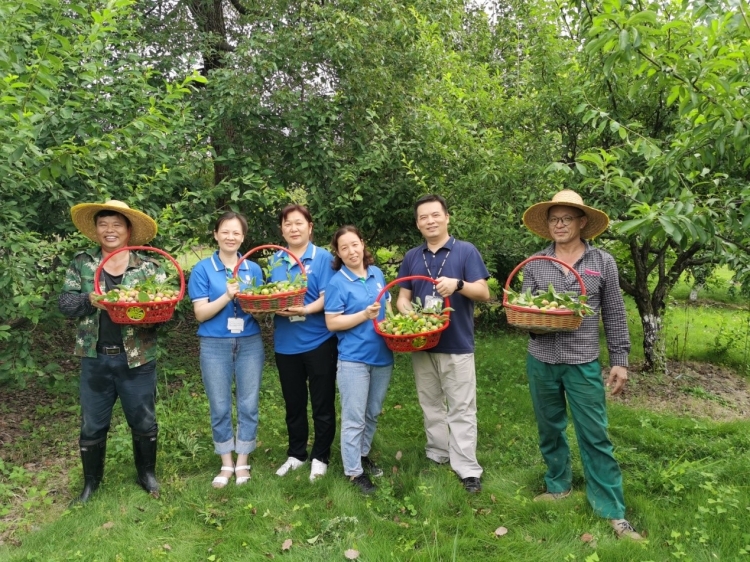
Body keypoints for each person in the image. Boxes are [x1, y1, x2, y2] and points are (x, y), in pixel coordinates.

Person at [520, 189, 642, 540]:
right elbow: (526, 310)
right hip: (542, 359)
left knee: (595, 434)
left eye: (566, 219)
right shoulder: (535, 263)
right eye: (554, 219)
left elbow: (615, 313)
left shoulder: (602, 262)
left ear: (582, 222)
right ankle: (558, 485)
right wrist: (533, 318)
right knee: (549, 428)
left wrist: (620, 360)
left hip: (583, 360)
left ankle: (612, 510)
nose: (559, 225)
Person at [59, 200, 163, 503]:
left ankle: (146, 474)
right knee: (93, 422)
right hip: (96, 356)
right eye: (103, 224)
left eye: (117, 224)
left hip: (137, 357)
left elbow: (164, 313)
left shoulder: (148, 267)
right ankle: (91, 483)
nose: (110, 230)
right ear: (96, 230)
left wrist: (144, 311)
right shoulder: (82, 263)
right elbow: (65, 303)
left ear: (128, 230)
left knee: (143, 420)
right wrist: (88, 300)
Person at [396, 194, 490, 494]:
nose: (430, 221)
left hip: (457, 342)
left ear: (447, 217)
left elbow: (484, 292)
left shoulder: (465, 251)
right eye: (423, 217)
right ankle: (438, 453)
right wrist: (410, 316)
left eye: (435, 215)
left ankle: (467, 468)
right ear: (417, 224)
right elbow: (403, 298)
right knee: (431, 403)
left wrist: (458, 285)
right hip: (422, 342)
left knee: (461, 407)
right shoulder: (412, 256)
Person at [187, 212, 264, 488]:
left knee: (248, 403)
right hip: (214, 344)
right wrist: (227, 296)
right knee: (219, 405)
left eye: (236, 233)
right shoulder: (202, 270)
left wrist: (262, 306)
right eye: (225, 231)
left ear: (243, 237)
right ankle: (226, 461)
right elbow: (201, 313)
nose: (231, 237)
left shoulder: (253, 269)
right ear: (216, 235)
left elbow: (258, 307)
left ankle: (243, 460)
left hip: (250, 342)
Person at [269, 205, 338, 482]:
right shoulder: (276, 260)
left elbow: (328, 297)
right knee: (294, 403)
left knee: (322, 403)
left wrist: (305, 310)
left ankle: (320, 457)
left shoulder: (323, 258)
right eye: (288, 224)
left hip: (319, 341)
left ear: (310, 227)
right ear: (282, 229)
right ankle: (296, 454)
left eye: (299, 223)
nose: (293, 228)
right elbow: (270, 295)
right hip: (286, 344)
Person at [324, 226, 394, 494]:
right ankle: (353, 472)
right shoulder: (337, 283)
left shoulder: (377, 273)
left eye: (355, 244)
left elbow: (387, 306)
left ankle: (362, 455)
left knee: (372, 412)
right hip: (354, 359)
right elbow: (332, 323)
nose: (351, 251)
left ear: (363, 244)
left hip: (382, 355)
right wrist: (364, 315)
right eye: (344, 248)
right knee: (354, 417)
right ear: (339, 253)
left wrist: (395, 327)